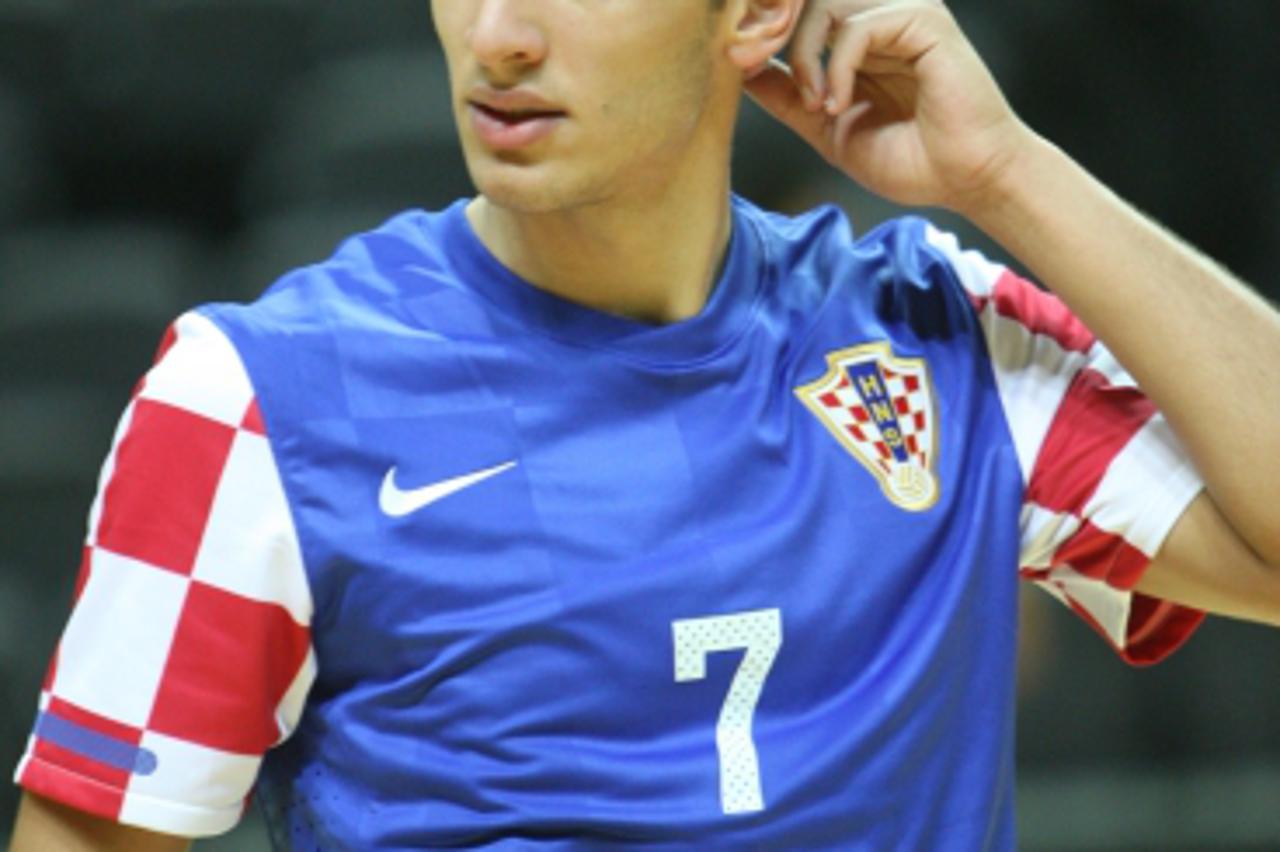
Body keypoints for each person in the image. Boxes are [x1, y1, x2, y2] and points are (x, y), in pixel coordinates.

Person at [9, 0, 1280, 848]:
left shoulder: (933, 334)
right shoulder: (254, 396)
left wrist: (1005, 172)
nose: (499, 37)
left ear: (757, 15)